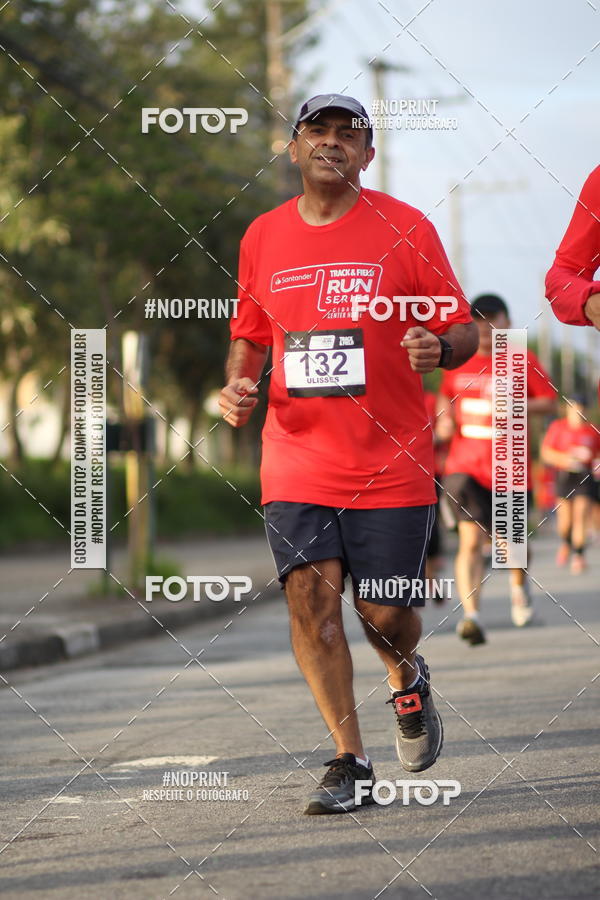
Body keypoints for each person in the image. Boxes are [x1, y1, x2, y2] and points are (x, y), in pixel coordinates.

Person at [219, 93, 478, 815]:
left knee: (385, 613)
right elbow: (250, 331)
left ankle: (406, 677)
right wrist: (239, 381)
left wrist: (439, 346)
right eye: (317, 131)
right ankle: (349, 760)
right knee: (312, 604)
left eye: (349, 135)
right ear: (294, 149)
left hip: (391, 458)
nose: (332, 143)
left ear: (368, 155)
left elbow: (463, 327)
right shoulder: (263, 237)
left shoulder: (407, 228)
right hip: (295, 454)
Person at [436, 294, 557, 645]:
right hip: (464, 465)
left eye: (493, 320)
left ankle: (520, 588)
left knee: (511, 543)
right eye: (478, 321)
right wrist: (444, 419)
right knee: (470, 540)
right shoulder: (457, 359)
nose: (485, 329)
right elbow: (445, 394)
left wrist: (514, 404)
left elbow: (549, 401)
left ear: (506, 322)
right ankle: (471, 616)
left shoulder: (521, 357)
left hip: (510, 464)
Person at [541, 395, 600, 573]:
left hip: (584, 476)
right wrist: (566, 458)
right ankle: (566, 542)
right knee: (565, 522)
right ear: (568, 409)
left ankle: (578, 555)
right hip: (564, 476)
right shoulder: (558, 428)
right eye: (575, 407)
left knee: (581, 513)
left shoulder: (592, 431)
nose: (578, 411)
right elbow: (546, 453)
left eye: (582, 407)